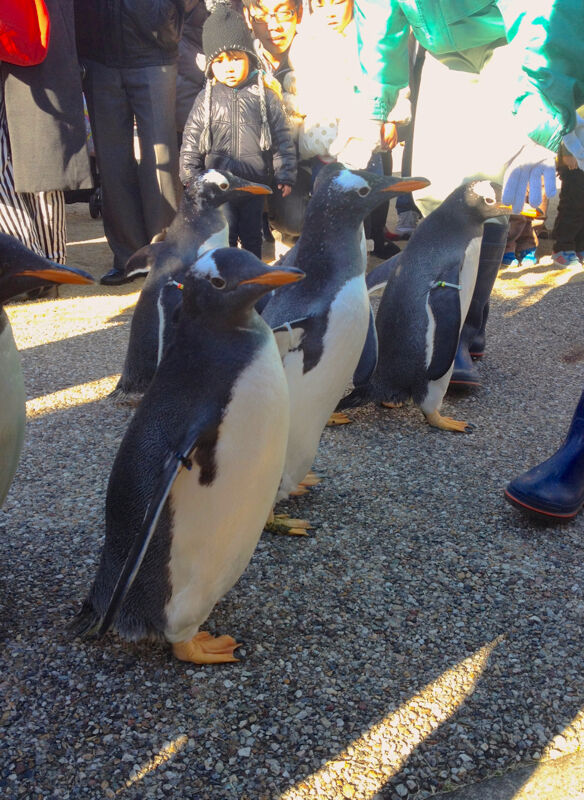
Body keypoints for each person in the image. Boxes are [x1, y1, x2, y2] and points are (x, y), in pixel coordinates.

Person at [344, 1, 584, 386]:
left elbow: (550, 11)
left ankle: (459, 332)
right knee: (438, 192)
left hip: (510, 43)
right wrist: (377, 103)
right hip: (440, 52)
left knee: (486, 192)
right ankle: (450, 322)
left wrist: (545, 109)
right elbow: (377, 15)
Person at [75, 0, 196, 286]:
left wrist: (167, 16)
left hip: (155, 53)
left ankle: (166, 254)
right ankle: (128, 257)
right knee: (111, 160)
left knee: (161, 157)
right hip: (97, 52)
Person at [180, 1, 296, 258]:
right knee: (226, 233)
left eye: (235, 59)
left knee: (252, 234)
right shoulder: (205, 99)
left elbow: (281, 138)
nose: (228, 67)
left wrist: (285, 173)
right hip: (220, 185)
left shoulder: (264, 95)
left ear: (249, 58)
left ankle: (251, 271)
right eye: (219, 61)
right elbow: (191, 139)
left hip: (254, 184)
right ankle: (227, 274)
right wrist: (190, 176)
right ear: (210, 65)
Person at [0, 0, 92, 270]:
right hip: (42, 47)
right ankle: (45, 262)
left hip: (39, 48)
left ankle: (36, 263)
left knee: (43, 164)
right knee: (42, 163)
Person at [550, 119, 584, 268]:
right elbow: (567, 120)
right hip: (574, 158)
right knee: (573, 204)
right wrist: (567, 151)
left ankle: (580, 247)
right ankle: (563, 249)